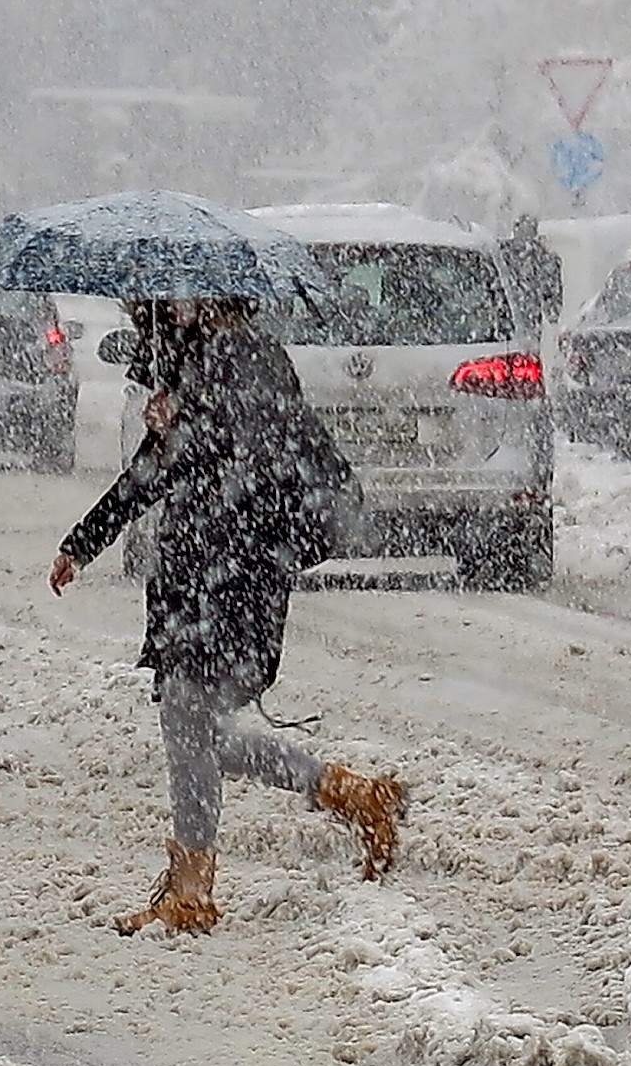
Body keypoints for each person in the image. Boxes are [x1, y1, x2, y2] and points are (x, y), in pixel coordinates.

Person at [49, 297, 408, 934]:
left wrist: (186, 424)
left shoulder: (254, 359)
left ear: (217, 297)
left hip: (236, 583)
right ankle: (343, 796)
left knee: (191, 733)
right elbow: (153, 474)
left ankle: (194, 890)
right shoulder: (189, 360)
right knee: (193, 733)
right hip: (197, 582)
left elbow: (258, 453)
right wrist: (84, 542)